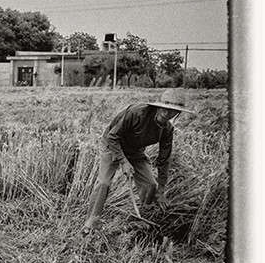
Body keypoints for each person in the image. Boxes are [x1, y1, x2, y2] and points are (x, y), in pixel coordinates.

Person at [82, 88, 195, 235]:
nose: (167, 113)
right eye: (165, 108)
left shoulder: (167, 130)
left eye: (172, 111)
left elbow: (164, 160)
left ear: (177, 113)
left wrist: (161, 191)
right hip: (112, 145)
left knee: (150, 185)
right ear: (158, 105)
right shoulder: (137, 113)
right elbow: (112, 137)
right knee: (104, 182)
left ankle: (142, 217)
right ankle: (91, 223)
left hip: (136, 151)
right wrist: (123, 162)